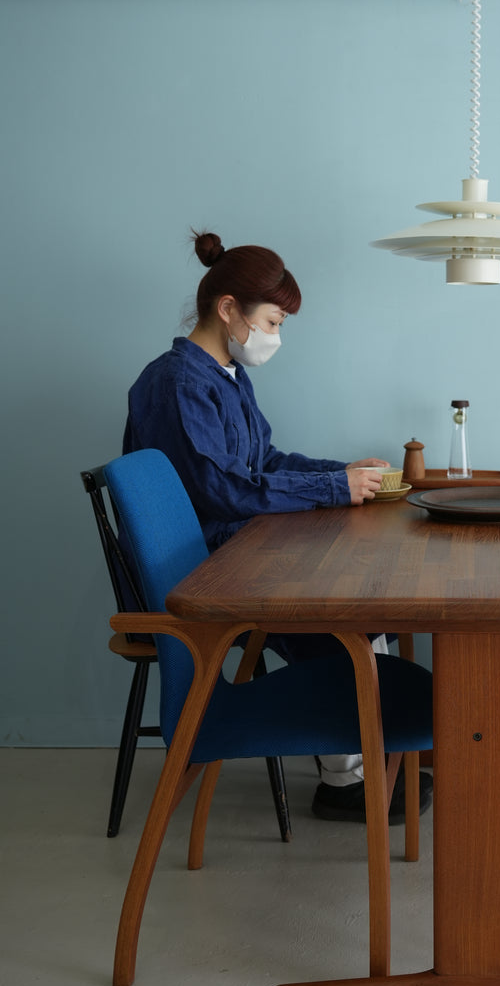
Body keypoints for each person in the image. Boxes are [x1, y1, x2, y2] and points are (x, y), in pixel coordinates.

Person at [123, 230, 431, 824]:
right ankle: (349, 780)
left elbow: (263, 463)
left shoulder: (228, 378)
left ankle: (372, 759)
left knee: (364, 600)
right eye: (272, 322)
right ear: (229, 309)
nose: (275, 337)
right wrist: (331, 490)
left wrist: (340, 473)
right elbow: (223, 490)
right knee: (343, 610)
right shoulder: (178, 383)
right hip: (207, 571)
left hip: (233, 550)